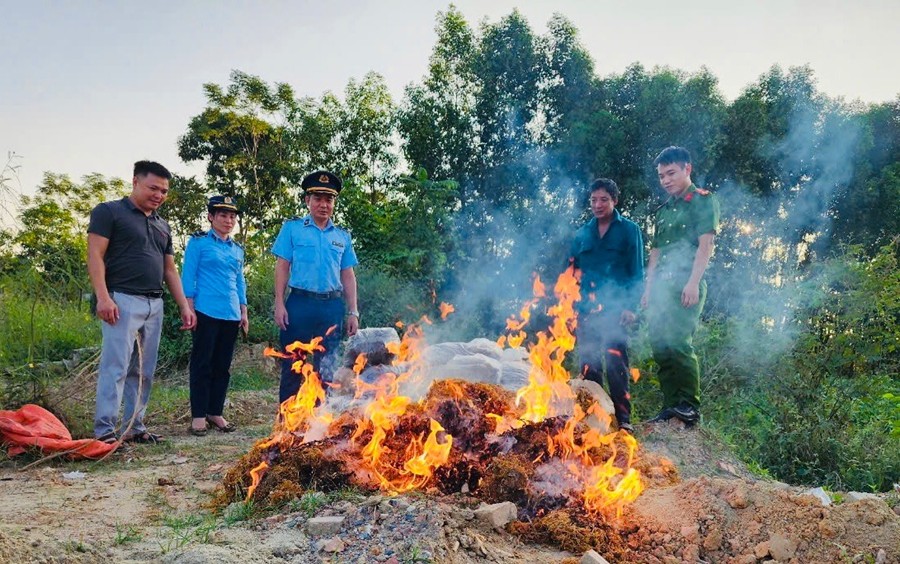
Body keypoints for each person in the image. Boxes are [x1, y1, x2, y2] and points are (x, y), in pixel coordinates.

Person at [87, 160, 196, 444]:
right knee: (116, 367)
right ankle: (105, 432)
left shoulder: (163, 225)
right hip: (120, 300)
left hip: (154, 304)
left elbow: (169, 269)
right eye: (153, 188)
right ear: (135, 182)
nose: (159, 195)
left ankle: (135, 426)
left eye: (164, 191)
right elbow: (95, 256)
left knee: (144, 370)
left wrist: (184, 305)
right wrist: (103, 297)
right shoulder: (109, 212)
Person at [641, 146, 720, 425]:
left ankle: (689, 405)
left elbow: (705, 244)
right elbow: (656, 254)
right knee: (660, 344)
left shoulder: (702, 201)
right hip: (661, 287)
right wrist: (648, 289)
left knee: (678, 342)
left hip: (686, 284)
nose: (665, 180)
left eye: (671, 173)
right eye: (661, 176)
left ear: (688, 169)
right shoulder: (663, 211)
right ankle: (671, 404)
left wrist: (693, 283)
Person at [271, 171, 360, 403]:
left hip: (331, 307)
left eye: (328, 200)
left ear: (334, 203)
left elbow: (348, 274)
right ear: (307, 201)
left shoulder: (342, 236)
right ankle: (286, 420)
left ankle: (321, 422)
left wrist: (353, 311)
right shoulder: (292, 229)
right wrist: (279, 303)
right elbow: (282, 267)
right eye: (318, 198)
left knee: (327, 368)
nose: (323, 204)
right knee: (293, 363)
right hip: (299, 304)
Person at [570, 178, 644, 434]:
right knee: (589, 365)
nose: (598, 205)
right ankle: (594, 419)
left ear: (615, 200)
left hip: (615, 308)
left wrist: (630, 306)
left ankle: (623, 420)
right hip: (586, 309)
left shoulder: (629, 230)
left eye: (604, 199)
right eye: (593, 200)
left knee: (616, 363)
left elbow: (636, 271)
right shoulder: (582, 234)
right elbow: (571, 273)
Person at [181, 196, 249, 436]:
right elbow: (188, 277)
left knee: (223, 366)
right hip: (205, 311)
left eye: (232, 216)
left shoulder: (237, 249)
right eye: (222, 215)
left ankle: (215, 412)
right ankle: (199, 415)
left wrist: (244, 310)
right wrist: (188, 308)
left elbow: (240, 280)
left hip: (231, 313)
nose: (228, 220)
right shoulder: (198, 243)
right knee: (202, 364)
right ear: (211, 217)